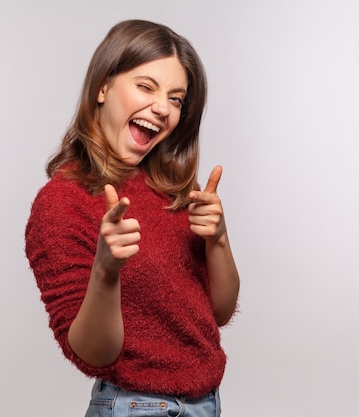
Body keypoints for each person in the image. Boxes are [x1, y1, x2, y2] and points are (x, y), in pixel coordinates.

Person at [25, 19, 240, 417]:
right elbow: (93, 354)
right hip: (135, 406)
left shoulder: (171, 189)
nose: (162, 108)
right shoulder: (61, 202)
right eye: (146, 87)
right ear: (103, 87)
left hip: (206, 405)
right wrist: (106, 271)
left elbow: (217, 313)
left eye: (176, 99)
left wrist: (219, 241)